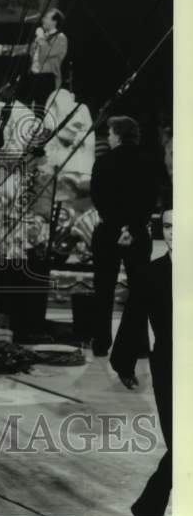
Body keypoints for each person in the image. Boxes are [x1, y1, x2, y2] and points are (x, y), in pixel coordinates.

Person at [110, 205, 172, 516]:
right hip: (169, 366)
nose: (176, 234)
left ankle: (149, 507)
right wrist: (123, 362)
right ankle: (149, 506)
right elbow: (133, 318)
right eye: (169, 227)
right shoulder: (151, 273)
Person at [89, 115, 156, 357]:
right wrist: (131, 226)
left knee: (103, 289)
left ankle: (101, 343)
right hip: (138, 231)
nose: (108, 137)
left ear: (118, 134)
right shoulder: (149, 162)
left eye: (110, 133)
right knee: (138, 290)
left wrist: (118, 226)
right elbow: (151, 199)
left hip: (109, 231)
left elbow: (97, 196)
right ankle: (138, 345)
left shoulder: (103, 162)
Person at [0, 9, 68, 119]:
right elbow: (24, 49)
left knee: (41, 110)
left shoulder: (61, 38)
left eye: (46, 17)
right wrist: (1, 48)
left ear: (54, 22)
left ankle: (41, 133)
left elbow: (46, 52)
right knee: (23, 105)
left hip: (47, 79)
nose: (42, 19)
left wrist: (40, 37)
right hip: (33, 76)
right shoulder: (42, 38)